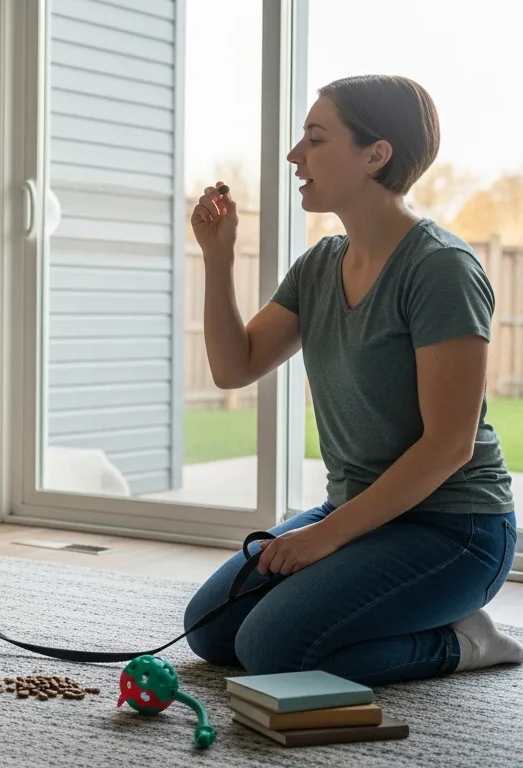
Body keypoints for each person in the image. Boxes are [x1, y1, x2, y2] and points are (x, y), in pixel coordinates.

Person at [182, 74, 521, 686]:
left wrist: (322, 539)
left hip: (455, 528)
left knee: (271, 650)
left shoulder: (441, 268)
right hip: (359, 509)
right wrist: (218, 256)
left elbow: (451, 445)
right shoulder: (320, 264)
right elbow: (235, 367)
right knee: (210, 631)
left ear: (376, 154)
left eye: (315, 139)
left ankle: (463, 640)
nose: (295, 155)